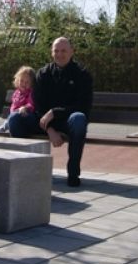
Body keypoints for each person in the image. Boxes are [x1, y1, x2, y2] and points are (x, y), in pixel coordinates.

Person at [8, 37, 93, 187]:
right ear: (52, 52)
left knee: (79, 119)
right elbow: (38, 106)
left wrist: (55, 112)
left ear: (72, 52)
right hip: (44, 121)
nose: (59, 54)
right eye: (56, 51)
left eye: (63, 51)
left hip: (68, 122)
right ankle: (24, 169)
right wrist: (50, 129)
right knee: (15, 119)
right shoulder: (43, 74)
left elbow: (83, 106)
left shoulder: (82, 75)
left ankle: (73, 173)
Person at [0, 65, 36, 133]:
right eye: (21, 81)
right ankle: (2, 128)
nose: (24, 84)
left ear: (31, 83)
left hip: (24, 115)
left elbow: (31, 104)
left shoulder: (31, 93)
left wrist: (25, 107)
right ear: (17, 80)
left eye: (27, 82)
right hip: (13, 115)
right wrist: (12, 111)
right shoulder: (16, 93)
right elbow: (14, 104)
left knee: (11, 119)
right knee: (10, 119)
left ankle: (1, 129)